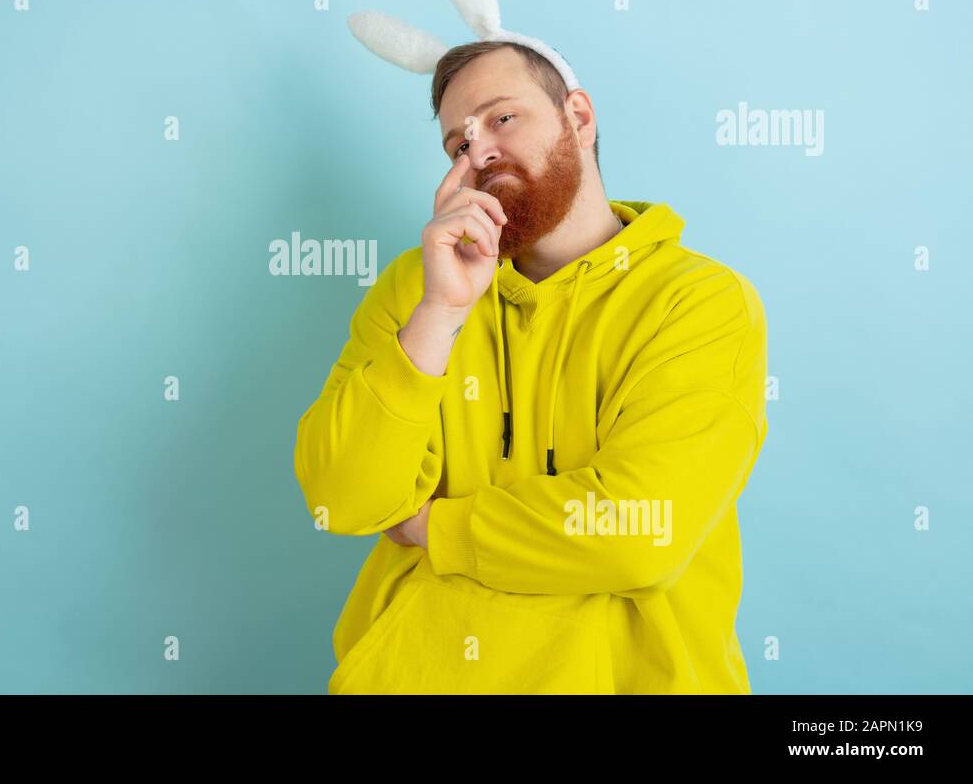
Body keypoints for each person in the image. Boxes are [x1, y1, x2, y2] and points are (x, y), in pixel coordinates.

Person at [293, 39, 769, 694]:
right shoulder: (416, 289)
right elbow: (341, 498)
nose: (478, 150)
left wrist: (437, 526)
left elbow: (641, 533)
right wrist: (440, 311)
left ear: (578, 116)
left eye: (501, 118)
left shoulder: (699, 302)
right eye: (457, 144)